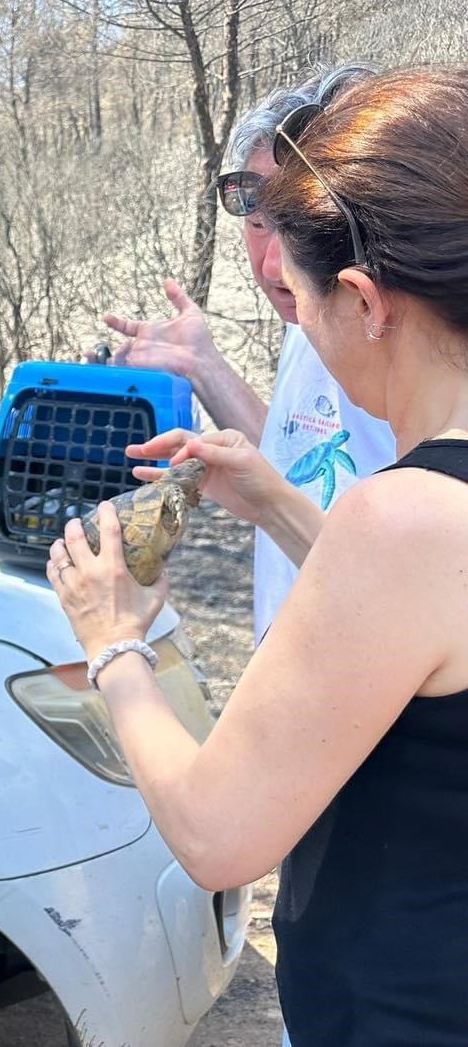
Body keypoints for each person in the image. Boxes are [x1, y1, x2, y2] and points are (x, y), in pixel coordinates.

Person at [48, 65, 468, 1046]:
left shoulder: (402, 521)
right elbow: (422, 636)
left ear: (364, 301)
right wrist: (277, 500)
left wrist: (116, 644)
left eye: (308, 300)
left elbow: (216, 833)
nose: (302, 321)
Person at [99, 66, 397, 645]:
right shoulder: (312, 317)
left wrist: (114, 647)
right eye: (258, 225)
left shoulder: (412, 350)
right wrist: (202, 366)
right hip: (293, 665)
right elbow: (305, 457)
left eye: (301, 227)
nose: (272, 265)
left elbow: (411, 577)